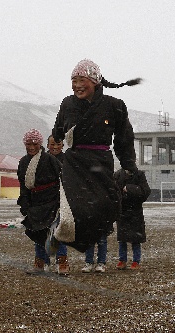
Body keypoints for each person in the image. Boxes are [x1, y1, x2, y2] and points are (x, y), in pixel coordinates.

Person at [51, 59, 141, 253]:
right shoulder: (68, 103)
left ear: (95, 81)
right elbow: (58, 128)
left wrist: (128, 165)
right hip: (75, 162)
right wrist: (56, 138)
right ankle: (60, 236)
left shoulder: (114, 105)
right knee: (78, 209)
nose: (76, 85)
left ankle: (83, 241)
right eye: (73, 80)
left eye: (81, 80)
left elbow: (124, 138)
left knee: (109, 206)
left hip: (101, 161)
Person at [17, 129, 61, 275]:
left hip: (52, 201)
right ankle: (40, 263)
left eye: (34, 144)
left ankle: (62, 263)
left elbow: (62, 180)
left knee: (55, 233)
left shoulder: (50, 160)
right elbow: (23, 184)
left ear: (39, 144)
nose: (31, 147)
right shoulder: (23, 162)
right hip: (34, 203)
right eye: (28, 144)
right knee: (37, 233)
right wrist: (25, 204)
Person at [114, 168, 151, 270]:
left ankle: (136, 261)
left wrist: (130, 189)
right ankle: (122, 260)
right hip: (123, 211)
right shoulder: (118, 175)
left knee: (136, 239)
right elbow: (114, 191)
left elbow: (146, 192)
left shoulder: (139, 174)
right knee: (122, 238)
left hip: (135, 211)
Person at [46, 135, 69, 276]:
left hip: (62, 201)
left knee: (60, 232)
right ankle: (43, 261)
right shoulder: (41, 159)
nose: (55, 147)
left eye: (58, 144)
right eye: (52, 144)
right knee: (42, 232)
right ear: (47, 145)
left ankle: (62, 262)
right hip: (44, 202)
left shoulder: (68, 160)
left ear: (62, 145)